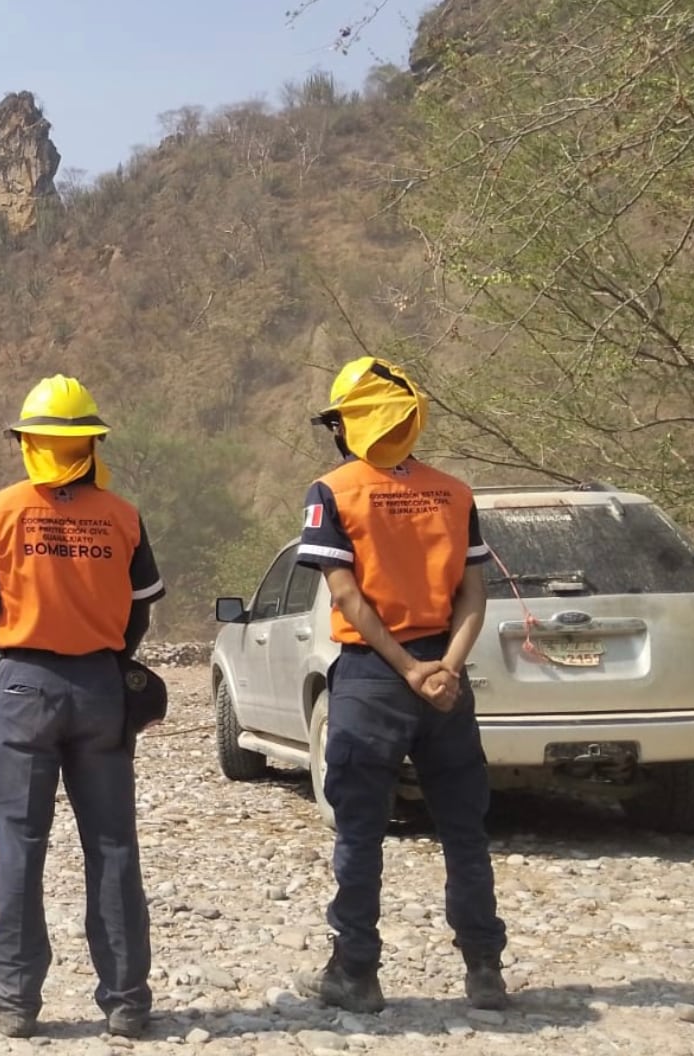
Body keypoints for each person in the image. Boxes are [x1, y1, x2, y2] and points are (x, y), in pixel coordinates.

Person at [0, 374, 166, 1040]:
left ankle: (14, 998)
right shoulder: (122, 516)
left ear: (28, 442)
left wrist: (13, 665)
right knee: (113, 847)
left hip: (23, 687)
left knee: (21, 846)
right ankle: (126, 1000)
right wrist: (104, 660)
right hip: (101, 687)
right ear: (90, 443)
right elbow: (139, 611)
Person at [293, 356, 507, 1014]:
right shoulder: (453, 492)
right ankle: (485, 973)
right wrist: (446, 667)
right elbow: (475, 593)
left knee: (360, 832)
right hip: (447, 678)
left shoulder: (332, 492)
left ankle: (355, 973)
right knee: (464, 830)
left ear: (346, 427)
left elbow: (348, 598)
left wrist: (408, 669)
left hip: (370, 677)